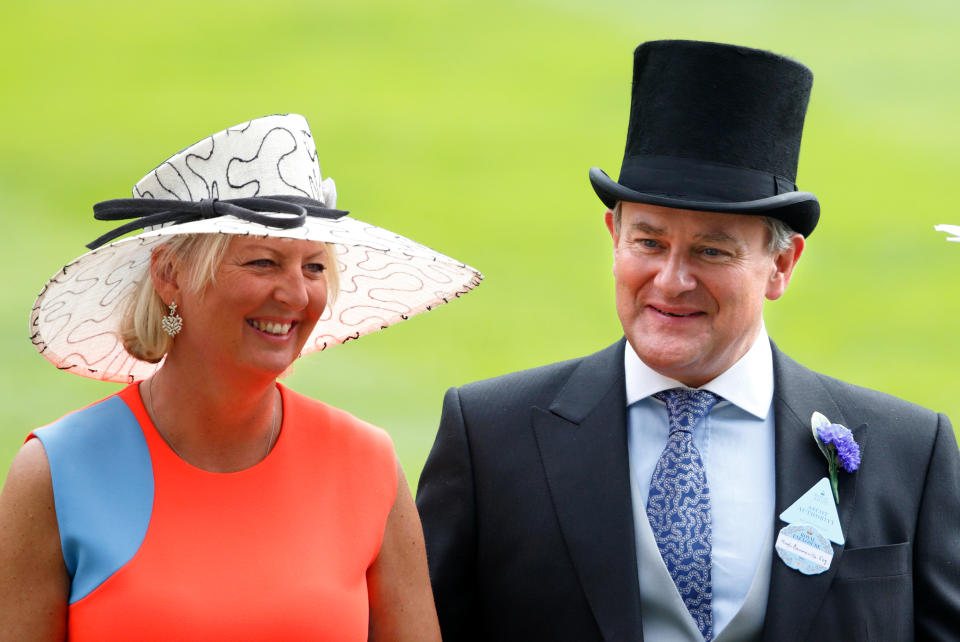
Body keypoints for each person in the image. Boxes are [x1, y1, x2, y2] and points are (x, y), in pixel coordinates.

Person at [416, 40, 960, 641]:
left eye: (712, 250)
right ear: (613, 237)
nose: (671, 281)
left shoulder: (911, 454)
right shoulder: (490, 436)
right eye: (649, 242)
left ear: (781, 266)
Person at [0, 113, 481, 640]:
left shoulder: (367, 464)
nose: (297, 296)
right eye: (263, 263)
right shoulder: (57, 472)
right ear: (170, 275)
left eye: (314, 267)